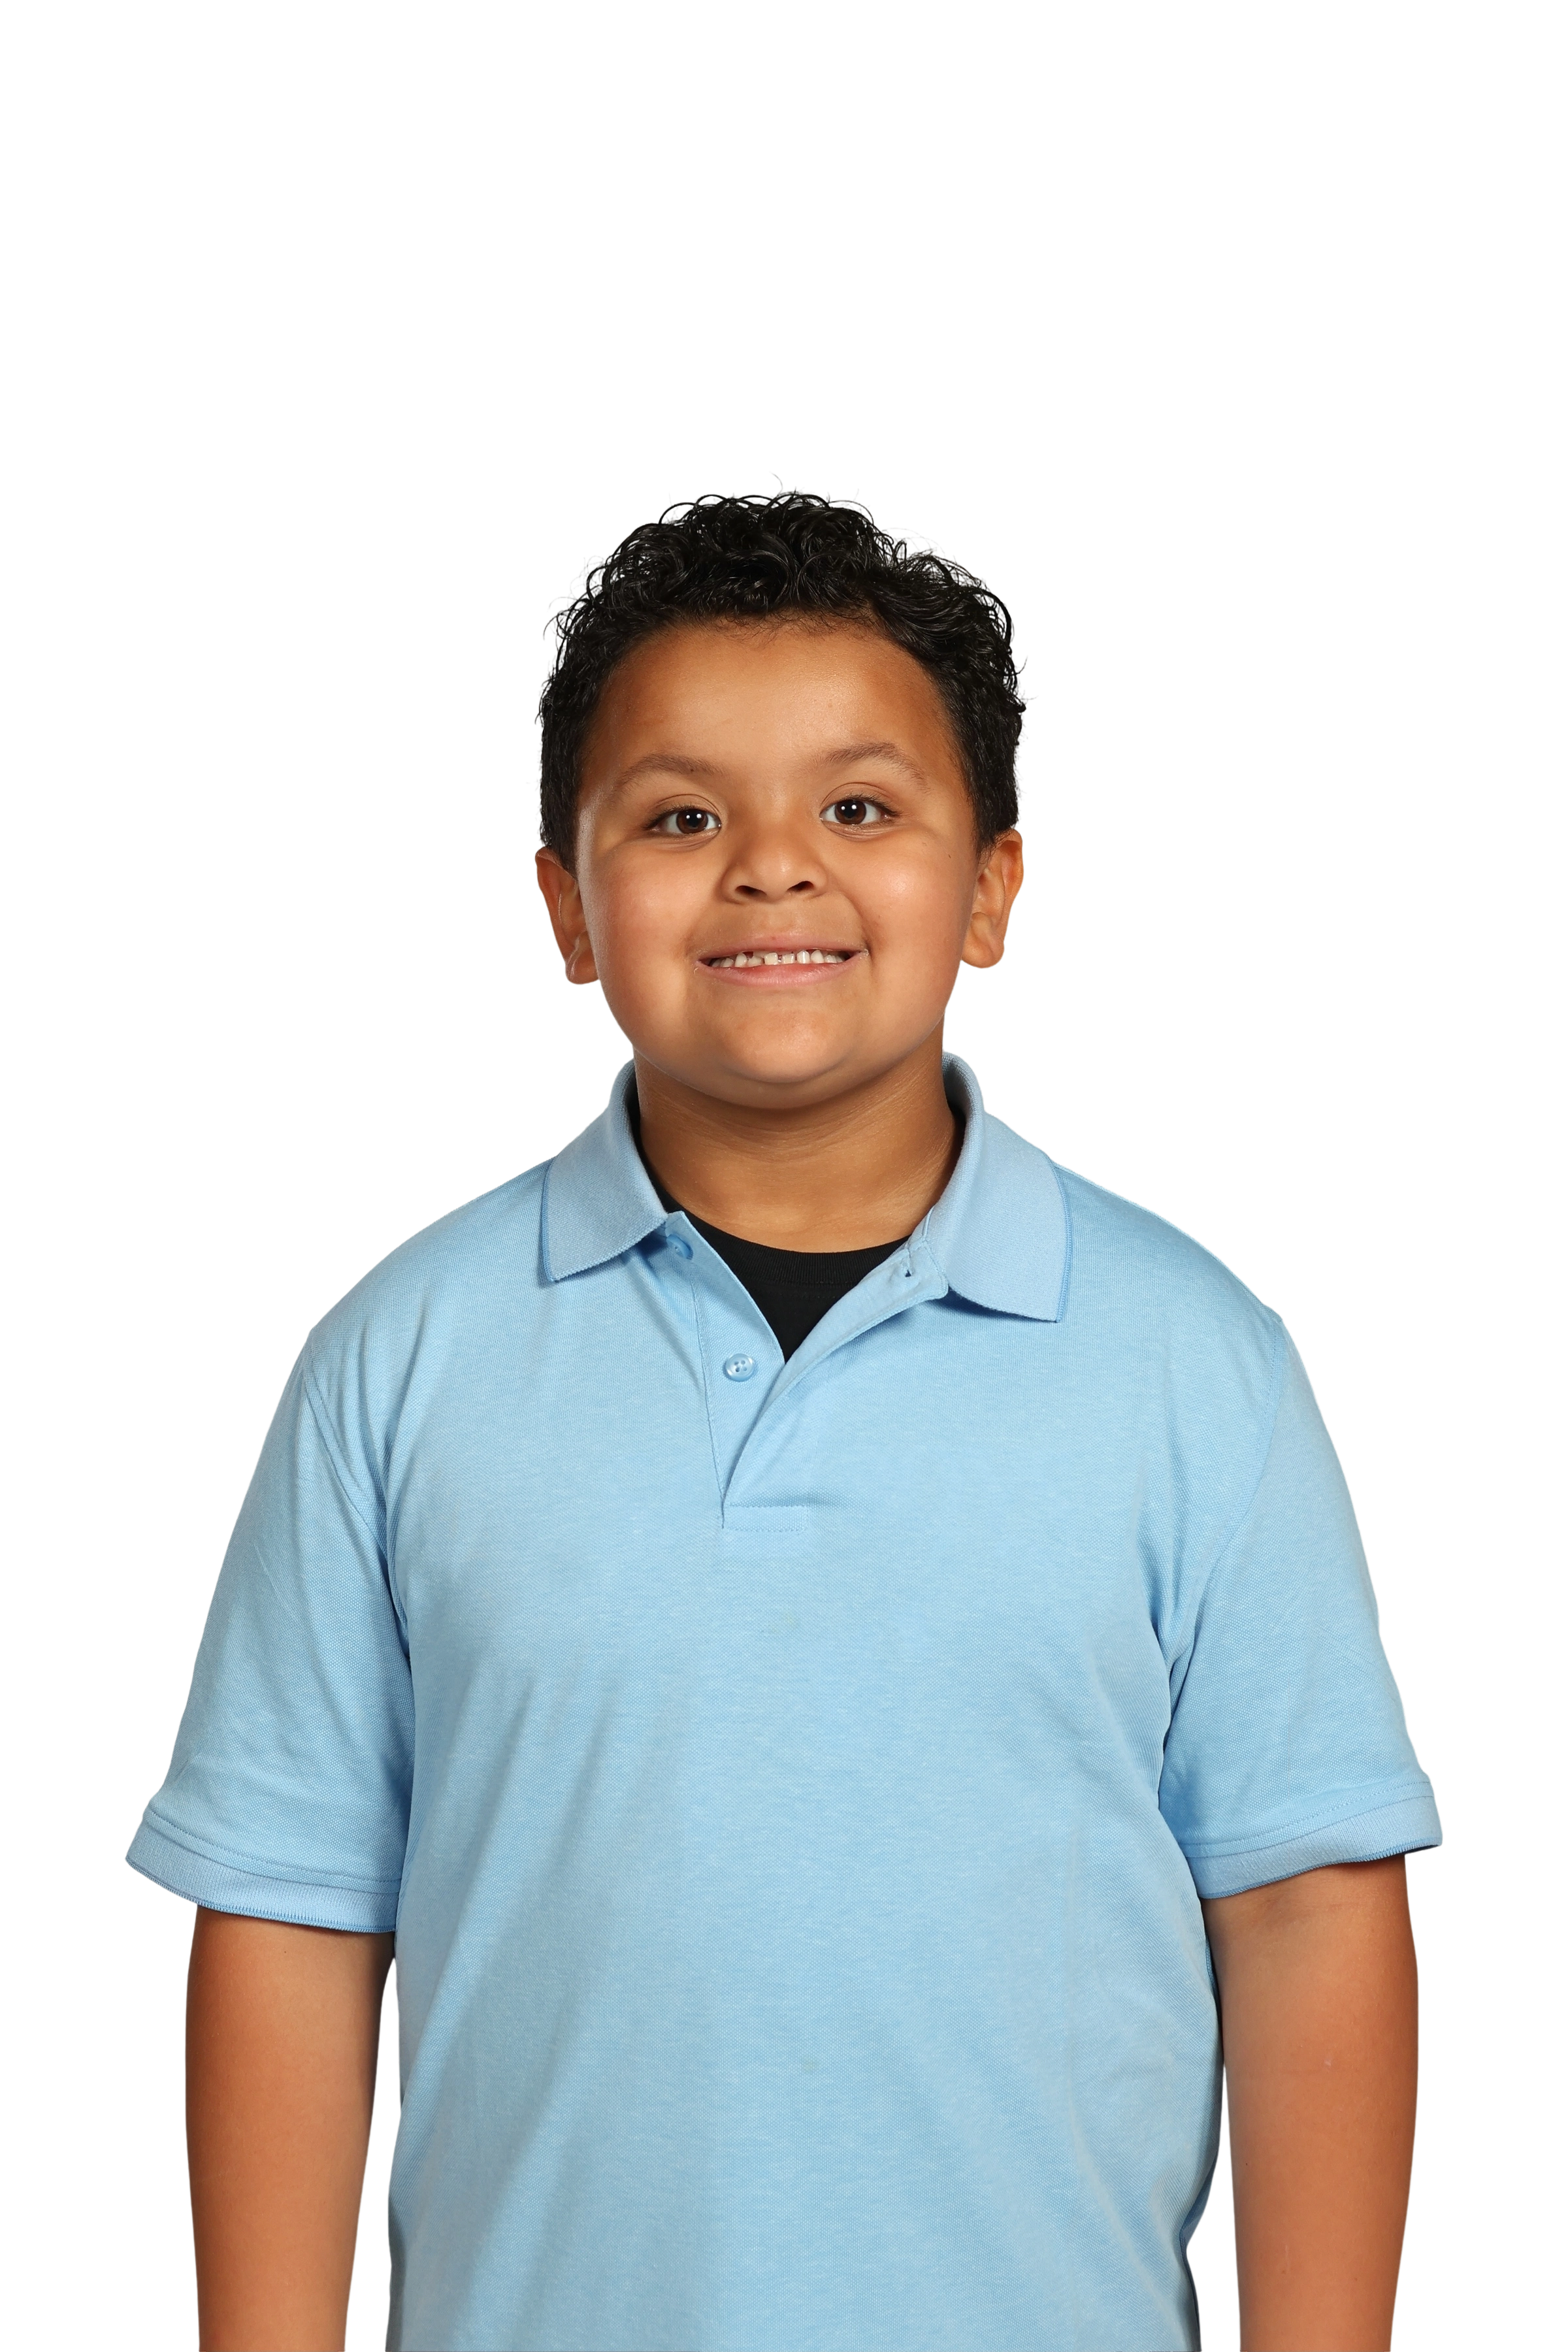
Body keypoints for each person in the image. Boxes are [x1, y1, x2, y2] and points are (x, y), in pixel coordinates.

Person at [124, 485, 1443, 2352]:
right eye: (682, 816)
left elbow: (1308, 1908)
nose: (771, 871)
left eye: (860, 809)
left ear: (993, 886)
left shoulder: (1192, 1363)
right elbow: (289, 1917)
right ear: (566, 906)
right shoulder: (398, 1363)